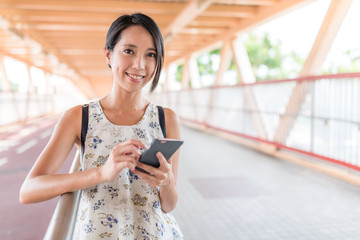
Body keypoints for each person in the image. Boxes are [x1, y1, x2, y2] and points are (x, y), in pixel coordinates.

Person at [20, 13, 183, 239]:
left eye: (151, 54)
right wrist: (100, 173)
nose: (139, 64)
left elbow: (169, 205)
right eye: (129, 51)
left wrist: (166, 183)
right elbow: (29, 190)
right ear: (108, 54)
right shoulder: (79, 117)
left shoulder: (167, 119)